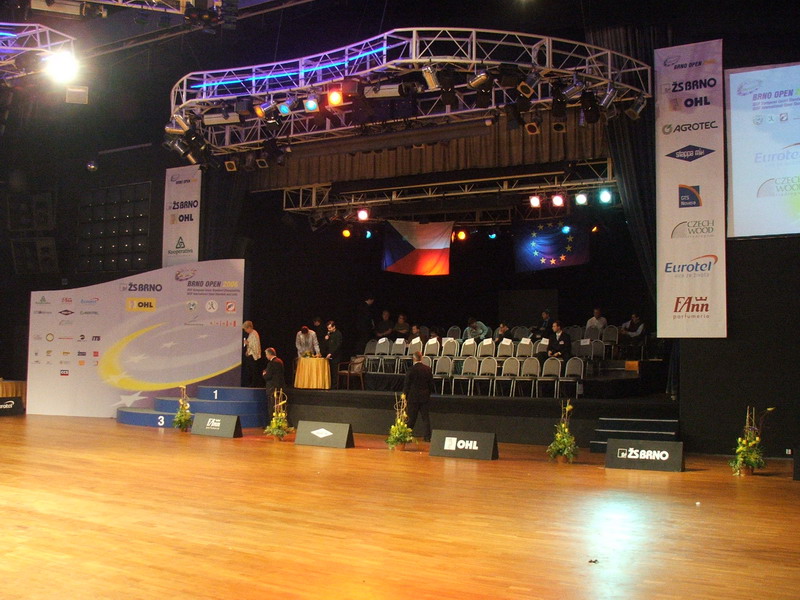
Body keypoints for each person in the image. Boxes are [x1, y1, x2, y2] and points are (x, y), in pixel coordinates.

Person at [402, 351, 434, 442]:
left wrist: (404, 395)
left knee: (411, 418)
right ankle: (427, 437)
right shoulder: (428, 369)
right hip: (424, 397)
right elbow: (431, 384)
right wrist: (428, 394)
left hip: (413, 397)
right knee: (425, 418)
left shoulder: (411, 369)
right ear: (421, 358)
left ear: (414, 359)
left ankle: (407, 436)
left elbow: (407, 384)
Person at [242, 320, 263, 387]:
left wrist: (247, 343)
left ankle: (254, 384)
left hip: (253, 356)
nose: (245, 331)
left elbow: (255, 346)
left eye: (246, 329)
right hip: (251, 355)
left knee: (253, 371)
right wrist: (247, 351)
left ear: (249, 327)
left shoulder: (254, 334)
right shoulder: (251, 334)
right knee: (250, 371)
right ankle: (251, 384)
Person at [324, 320, 343, 388]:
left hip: (336, 356)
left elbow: (338, 346)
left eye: (330, 328)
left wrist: (331, 353)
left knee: (335, 372)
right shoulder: (330, 334)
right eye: (328, 328)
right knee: (330, 371)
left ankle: (335, 386)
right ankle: (330, 384)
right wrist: (326, 339)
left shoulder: (338, 334)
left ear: (334, 327)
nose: (329, 330)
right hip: (329, 355)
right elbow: (327, 345)